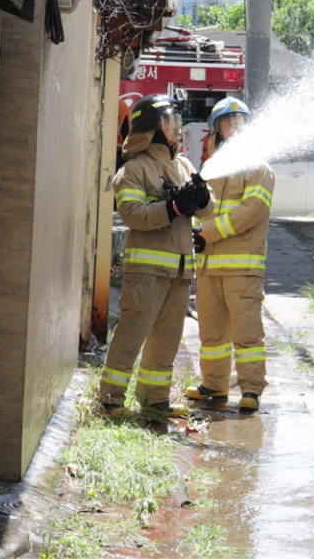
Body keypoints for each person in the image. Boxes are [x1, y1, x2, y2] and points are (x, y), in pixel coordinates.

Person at [98, 94, 214, 419]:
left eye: (175, 121)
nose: (175, 128)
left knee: (167, 338)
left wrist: (202, 199)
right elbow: (134, 215)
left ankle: (155, 400)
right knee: (132, 333)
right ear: (151, 128)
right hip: (147, 271)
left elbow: (208, 210)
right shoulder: (134, 170)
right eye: (167, 121)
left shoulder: (184, 166)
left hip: (180, 271)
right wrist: (173, 207)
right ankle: (110, 402)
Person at [185, 97, 275, 411]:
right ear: (217, 130)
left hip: (242, 268)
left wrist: (208, 231)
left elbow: (251, 211)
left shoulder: (258, 167)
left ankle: (251, 390)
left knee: (247, 331)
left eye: (239, 120)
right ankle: (214, 384)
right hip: (208, 265)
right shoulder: (211, 167)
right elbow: (201, 211)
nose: (233, 126)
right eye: (226, 121)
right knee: (211, 331)